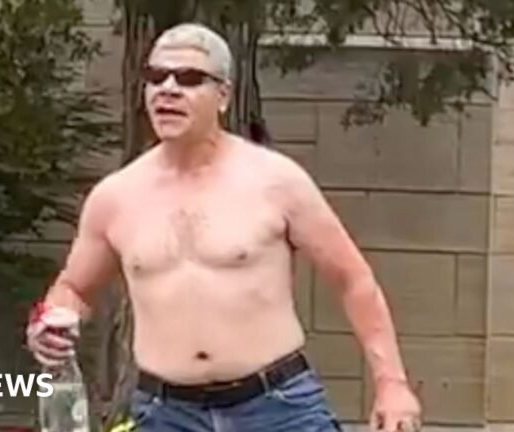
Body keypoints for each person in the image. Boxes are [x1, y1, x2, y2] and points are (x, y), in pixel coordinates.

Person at [26, 22, 422, 432]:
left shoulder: (276, 181)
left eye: (189, 78)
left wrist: (391, 384)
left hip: (277, 407)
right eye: (157, 77)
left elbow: (353, 279)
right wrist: (50, 322)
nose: (168, 89)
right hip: (166, 412)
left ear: (224, 96)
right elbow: (73, 289)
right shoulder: (116, 197)